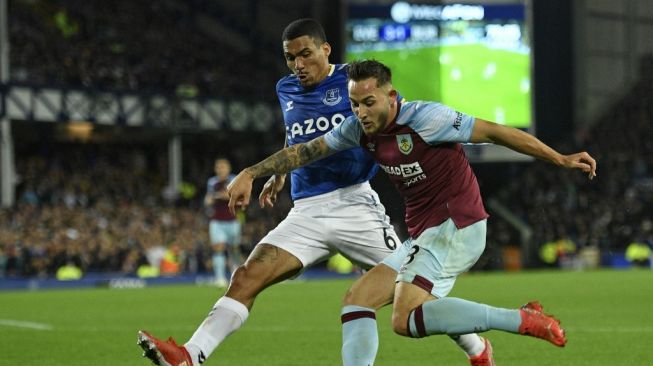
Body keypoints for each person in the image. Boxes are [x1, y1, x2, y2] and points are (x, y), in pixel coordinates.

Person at [226, 59, 598, 362]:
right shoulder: (358, 130)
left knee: (404, 320)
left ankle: (520, 319)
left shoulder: (427, 119)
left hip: (457, 224)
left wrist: (559, 158)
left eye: (368, 102)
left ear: (391, 96)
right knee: (356, 301)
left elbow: (496, 132)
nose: (361, 112)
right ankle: (489, 343)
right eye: (354, 103)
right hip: (427, 234)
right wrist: (252, 173)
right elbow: (303, 151)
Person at [139, 19, 462, 366]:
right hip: (305, 212)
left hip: (355, 205)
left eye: (305, 54)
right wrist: (281, 173)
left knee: (415, 290)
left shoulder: (354, 83)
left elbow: (397, 114)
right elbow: (296, 134)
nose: (298, 65)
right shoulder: (286, 88)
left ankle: (476, 348)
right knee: (247, 276)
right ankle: (191, 354)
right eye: (290, 57)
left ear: (326, 50)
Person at [204, 157, 242, 287]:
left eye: (223, 167)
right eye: (218, 167)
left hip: (233, 220)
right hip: (217, 221)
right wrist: (215, 197)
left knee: (234, 248)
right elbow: (208, 199)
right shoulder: (212, 182)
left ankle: (235, 275)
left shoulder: (234, 179)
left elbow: (234, 196)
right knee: (218, 248)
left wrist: (219, 196)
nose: (220, 169)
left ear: (228, 168)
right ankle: (219, 278)